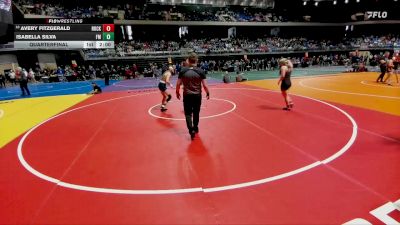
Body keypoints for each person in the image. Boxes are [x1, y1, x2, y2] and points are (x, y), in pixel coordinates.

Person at [176, 53, 210, 140]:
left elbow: (178, 84)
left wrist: (177, 92)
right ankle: (195, 127)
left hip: (187, 95)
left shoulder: (183, 71)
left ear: (188, 60)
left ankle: (191, 130)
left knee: (188, 113)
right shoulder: (200, 71)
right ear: (196, 60)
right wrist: (207, 92)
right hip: (197, 96)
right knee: (196, 112)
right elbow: (205, 85)